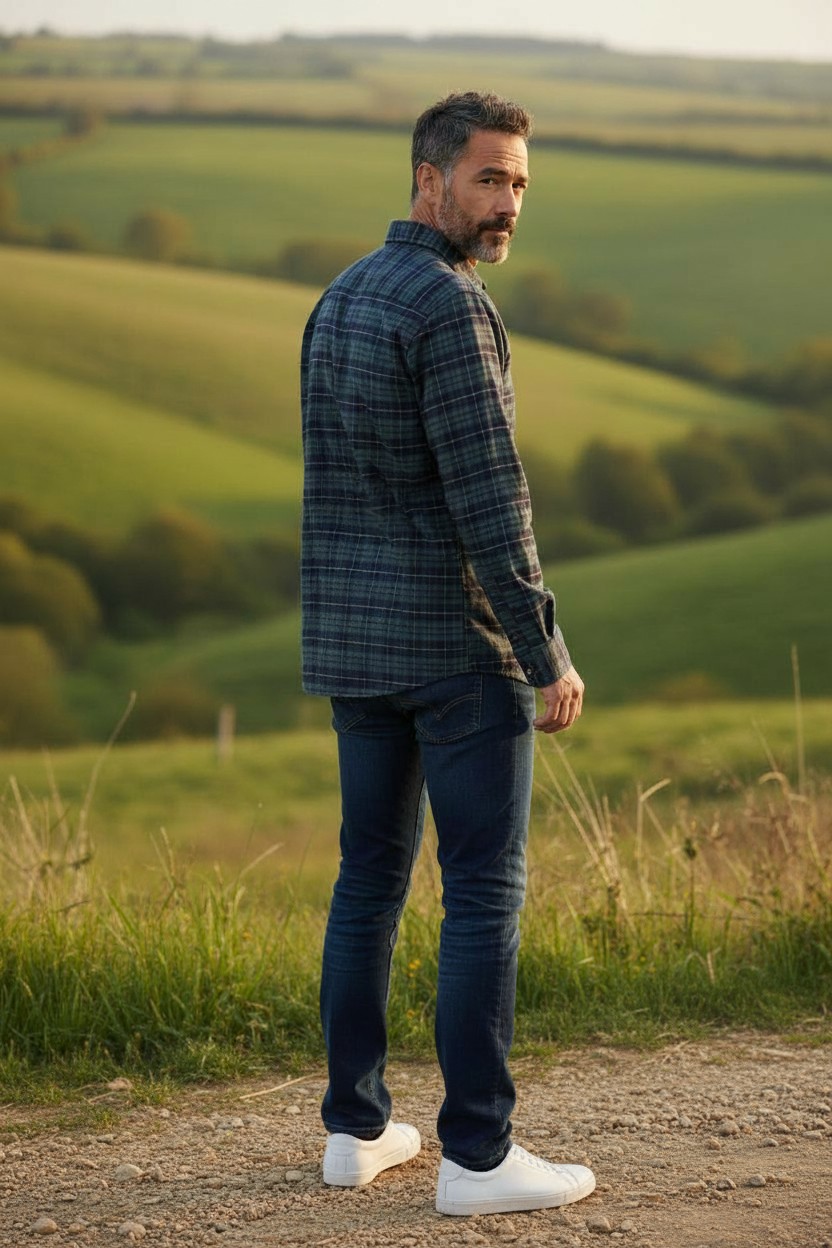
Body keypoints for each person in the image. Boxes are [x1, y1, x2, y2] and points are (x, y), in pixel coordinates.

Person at [300, 90, 595, 1217]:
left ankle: (356, 1128)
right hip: (454, 652)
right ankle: (478, 1155)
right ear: (429, 180)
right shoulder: (451, 308)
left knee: (367, 879)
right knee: (481, 893)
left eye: (519, 181)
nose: (507, 201)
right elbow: (491, 500)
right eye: (488, 178)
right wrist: (543, 651)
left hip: (354, 646)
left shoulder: (341, 295)